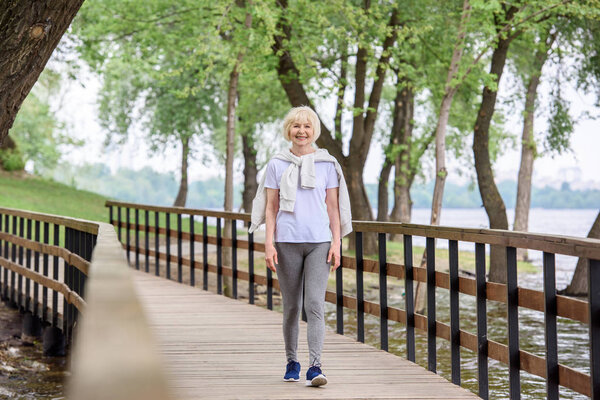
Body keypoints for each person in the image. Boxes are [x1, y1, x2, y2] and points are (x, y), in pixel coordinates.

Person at [249, 106, 352, 387]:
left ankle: (315, 367)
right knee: (292, 306)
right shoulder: (276, 164)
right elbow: (271, 208)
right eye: (296, 126)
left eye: (307, 126)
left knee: (315, 304)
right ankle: (292, 361)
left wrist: (337, 242)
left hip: (319, 242)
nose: (301, 131)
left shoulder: (327, 164)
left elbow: (333, 207)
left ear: (314, 130)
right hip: (286, 242)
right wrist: (268, 243)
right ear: (288, 130)